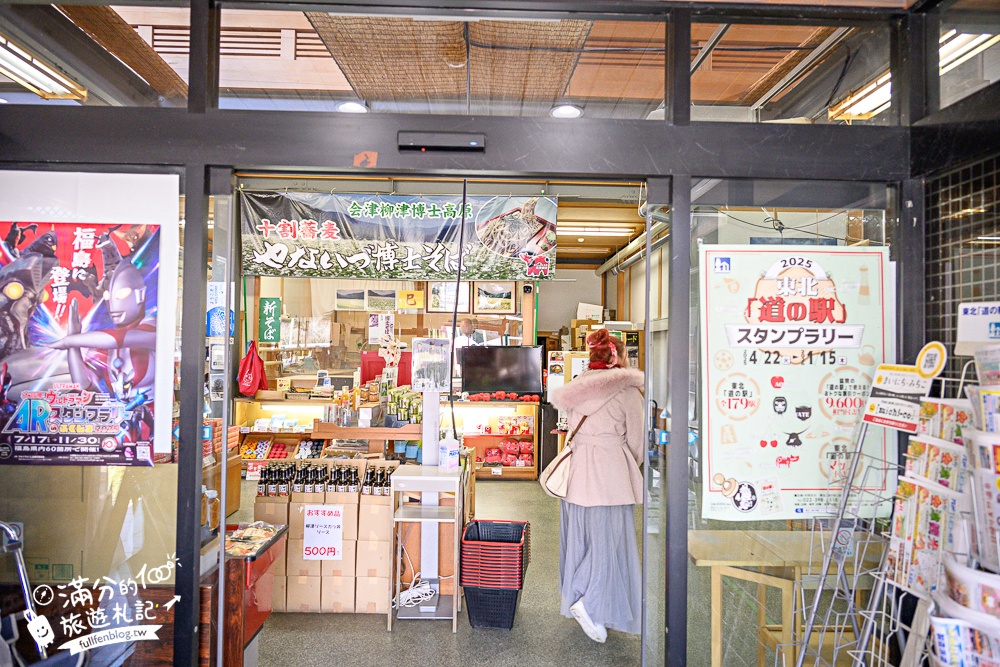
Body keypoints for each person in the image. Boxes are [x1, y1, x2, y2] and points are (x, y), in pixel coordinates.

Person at [548, 328, 644, 642]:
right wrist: (628, 463)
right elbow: (638, 442)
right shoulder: (629, 393)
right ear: (619, 357)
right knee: (610, 541)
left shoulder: (575, 388)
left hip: (578, 472)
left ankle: (581, 595)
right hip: (612, 472)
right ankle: (591, 603)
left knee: (582, 538)